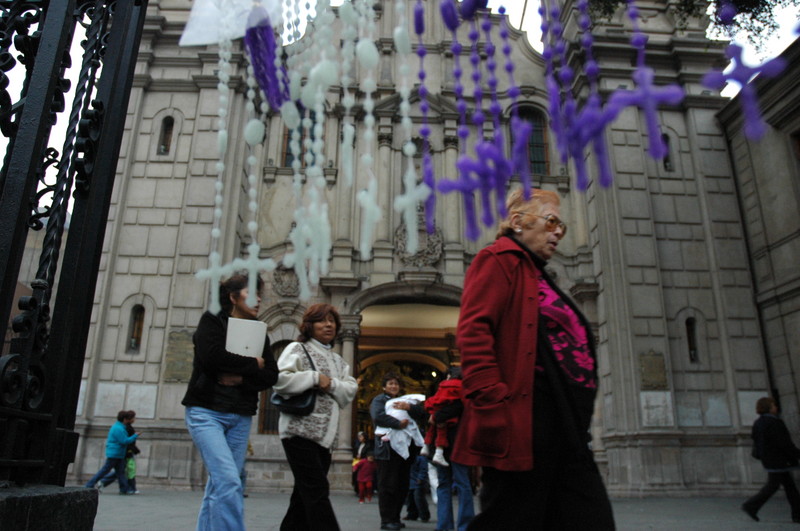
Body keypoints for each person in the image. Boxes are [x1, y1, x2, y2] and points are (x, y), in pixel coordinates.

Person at [451, 188, 615, 530]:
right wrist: (493, 403)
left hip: (566, 426)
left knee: (588, 518)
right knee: (512, 518)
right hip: (526, 422)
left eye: (562, 227)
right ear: (517, 222)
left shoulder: (538, 274)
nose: (558, 231)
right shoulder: (498, 259)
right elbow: (473, 332)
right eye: (551, 221)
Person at [182, 273, 279, 531]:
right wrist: (251, 364)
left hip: (240, 416)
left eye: (260, 293)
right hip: (206, 413)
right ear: (233, 297)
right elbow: (211, 357)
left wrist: (240, 379)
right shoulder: (213, 321)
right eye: (251, 293)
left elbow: (271, 374)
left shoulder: (260, 332)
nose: (258, 299)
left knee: (219, 485)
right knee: (229, 481)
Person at [273, 303, 358, 531]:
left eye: (332, 321)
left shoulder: (339, 361)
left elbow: (349, 390)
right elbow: (280, 380)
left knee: (302, 497)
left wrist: (329, 384)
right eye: (322, 320)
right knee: (317, 490)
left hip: (325, 438)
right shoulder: (296, 349)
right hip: (298, 432)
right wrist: (312, 377)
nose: (328, 325)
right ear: (310, 325)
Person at [371, 372, 427, 530]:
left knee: (401, 485)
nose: (393, 386)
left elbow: (422, 414)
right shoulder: (379, 400)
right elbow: (378, 417)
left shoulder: (405, 401)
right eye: (390, 384)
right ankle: (386, 519)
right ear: (384, 386)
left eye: (396, 384)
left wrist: (409, 407)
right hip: (386, 450)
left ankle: (395, 517)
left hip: (405, 450)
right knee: (387, 484)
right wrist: (398, 424)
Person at [742, 396, 800, 523]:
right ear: (769, 407)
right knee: (773, 486)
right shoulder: (774, 422)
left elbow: (756, 441)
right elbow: (784, 443)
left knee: (789, 487)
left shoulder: (758, 422)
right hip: (779, 460)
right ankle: (751, 505)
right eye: (774, 405)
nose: (776, 407)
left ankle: (797, 514)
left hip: (769, 459)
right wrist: (796, 454)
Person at [430, 369, 474, 531]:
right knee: (460, 484)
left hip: (448, 444)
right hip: (456, 444)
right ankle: (460, 524)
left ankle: (447, 525)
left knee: (448, 484)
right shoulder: (465, 393)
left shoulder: (454, 394)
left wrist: (435, 416)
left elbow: (447, 410)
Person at [85, 409, 140, 495]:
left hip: (118, 454)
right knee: (105, 470)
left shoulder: (119, 427)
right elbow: (124, 441)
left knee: (120, 472)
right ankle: (90, 484)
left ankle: (124, 489)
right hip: (115, 453)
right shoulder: (118, 428)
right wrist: (135, 436)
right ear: (124, 419)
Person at [421, 368, 464, 467]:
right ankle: (438, 453)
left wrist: (432, 411)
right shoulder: (461, 387)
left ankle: (426, 446)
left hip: (437, 413)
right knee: (442, 434)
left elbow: (434, 400)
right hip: (452, 425)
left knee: (433, 431)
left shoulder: (443, 386)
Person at [403, 454, 431, 522]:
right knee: (409, 499)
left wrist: (421, 478)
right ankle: (412, 514)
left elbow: (423, 469)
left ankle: (424, 515)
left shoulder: (420, 458)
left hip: (418, 482)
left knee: (419, 499)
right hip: (411, 481)